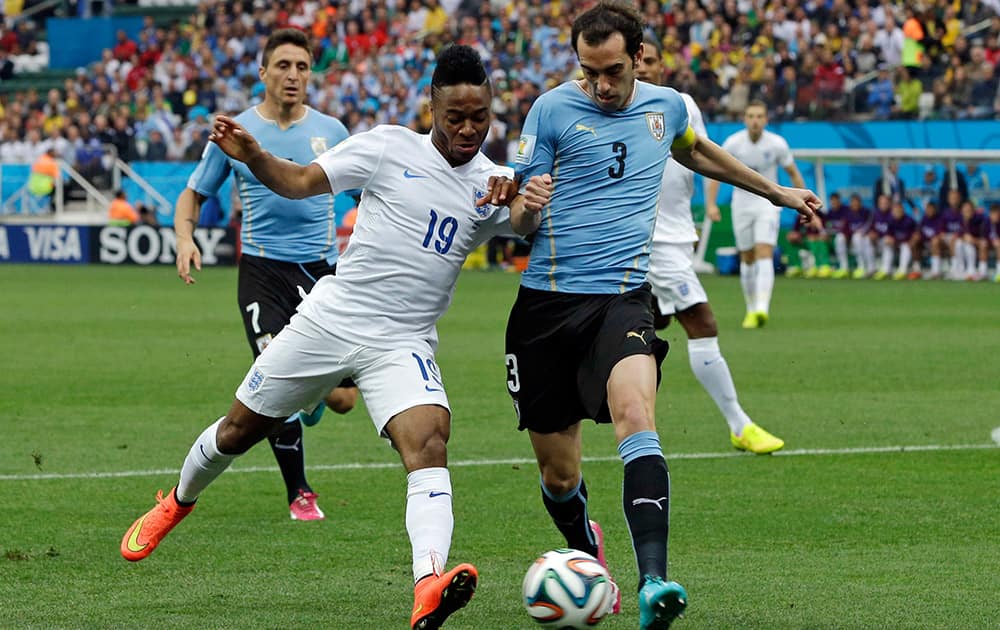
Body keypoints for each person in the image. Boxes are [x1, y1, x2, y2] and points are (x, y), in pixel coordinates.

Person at [121, 44, 554, 630]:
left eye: (480, 116)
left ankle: (428, 581)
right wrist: (253, 154)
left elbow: (525, 225)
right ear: (431, 106)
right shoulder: (386, 146)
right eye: (456, 116)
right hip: (331, 318)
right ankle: (176, 501)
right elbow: (298, 182)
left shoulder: (492, 182)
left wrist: (527, 202)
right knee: (238, 431)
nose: (469, 128)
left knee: (429, 442)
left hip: (403, 341)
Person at [507, 3, 821, 628]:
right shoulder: (549, 110)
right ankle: (587, 549)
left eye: (614, 70)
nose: (601, 84)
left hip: (622, 299)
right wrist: (527, 205)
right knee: (559, 472)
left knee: (635, 414)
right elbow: (520, 222)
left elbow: (699, 154)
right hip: (545, 307)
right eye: (589, 72)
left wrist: (778, 192)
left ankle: (655, 581)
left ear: (639, 56)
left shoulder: (667, 106)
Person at [172, 29, 358, 522]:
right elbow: (193, 194)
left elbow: (368, 199)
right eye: (283, 65)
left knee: (342, 401)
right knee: (275, 379)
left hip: (322, 273)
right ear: (263, 73)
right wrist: (185, 236)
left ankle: (315, 397)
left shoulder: (332, 132)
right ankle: (299, 491)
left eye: (301, 66)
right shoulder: (235, 134)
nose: (293, 75)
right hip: (261, 272)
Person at [635, 34, 784, 456]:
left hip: (677, 232)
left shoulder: (680, 105)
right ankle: (740, 424)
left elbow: (700, 154)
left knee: (652, 322)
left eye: (650, 61)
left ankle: (633, 421)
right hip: (651, 237)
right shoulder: (616, 109)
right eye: (636, 61)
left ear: (663, 66)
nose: (643, 68)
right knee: (702, 322)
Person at [705, 100, 808, 329]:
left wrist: (803, 203)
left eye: (759, 116)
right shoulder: (734, 143)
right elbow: (714, 173)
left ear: (766, 120)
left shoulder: (777, 144)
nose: (755, 121)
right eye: (751, 116)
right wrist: (711, 204)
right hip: (741, 203)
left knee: (764, 251)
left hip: (768, 203)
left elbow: (792, 173)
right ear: (744, 119)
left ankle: (762, 307)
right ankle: (751, 308)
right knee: (747, 257)